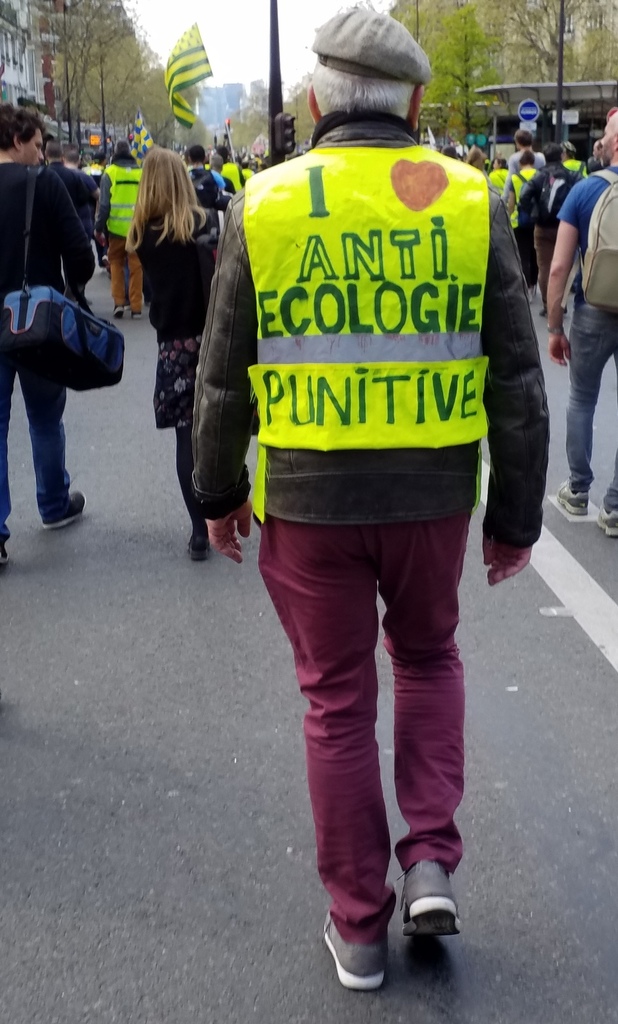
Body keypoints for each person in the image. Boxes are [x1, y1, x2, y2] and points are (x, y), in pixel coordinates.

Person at [192, 6, 548, 991]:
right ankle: (429, 855)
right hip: (433, 492)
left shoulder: (263, 204)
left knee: (336, 701)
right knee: (430, 656)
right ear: (419, 101)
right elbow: (517, 380)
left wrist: (218, 489)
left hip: (308, 500)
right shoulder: (471, 202)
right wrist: (514, 514)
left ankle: (357, 925)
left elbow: (223, 377)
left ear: (313, 100)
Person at [0, 104, 94, 568]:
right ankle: (53, 504)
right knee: (44, 418)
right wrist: (70, 288)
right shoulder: (44, 183)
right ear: (16, 140)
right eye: (37, 145)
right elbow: (81, 257)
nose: (41, 154)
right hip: (36, 320)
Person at [127, 148, 215, 561]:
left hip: (174, 347)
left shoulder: (143, 235)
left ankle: (198, 531)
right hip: (212, 339)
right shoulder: (203, 223)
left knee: (186, 438)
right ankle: (229, 510)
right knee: (222, 430)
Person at [547, 110, 618, 536]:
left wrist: (555, 327)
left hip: (592, 309)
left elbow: (558, 268)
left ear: (611, 144)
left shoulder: (585, 191)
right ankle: (616, 508)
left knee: (581, 399)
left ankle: (577, 490)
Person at [518, 142, 581, 317]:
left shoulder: (539, 176)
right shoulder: (571, 175)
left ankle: (548, 305)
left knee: (545, 268)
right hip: (566, 226)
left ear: (544, 158)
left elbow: (524, 195)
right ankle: (562, 304)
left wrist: (533, 213)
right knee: (564, 266)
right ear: (562, 155)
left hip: (543, 227)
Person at [95, 139, 143, 319]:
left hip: (115, 229)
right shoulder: (141, 172)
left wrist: (99, 227)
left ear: (114, 152)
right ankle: (136, 306)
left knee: (115, 264)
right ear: (130, 152)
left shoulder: (110, 173)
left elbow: (104, 205)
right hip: (137, 229)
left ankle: (119, 303)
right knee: (136, 266)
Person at [507, 148, 538, 297]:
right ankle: (534, 283)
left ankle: (526, 286)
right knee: (535, 253)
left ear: (521, 163)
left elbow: (511, 203)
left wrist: (509, 215)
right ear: (533, 162)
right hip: (537, 220)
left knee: (523, 255)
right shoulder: (540, 175)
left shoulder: (515, 178)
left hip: (520, 221)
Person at [62, 143, 99, 243]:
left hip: (63, 223)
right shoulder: (85, 177)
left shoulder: (57, 176)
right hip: (83, 222)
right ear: (78, 161)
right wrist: (96, 215)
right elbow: (98, 195)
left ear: (63, 160)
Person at [502, 128, 545, 201]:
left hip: (521, 198)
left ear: (518, 143)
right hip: (538, 199)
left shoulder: (514, 158)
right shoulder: (541, 157)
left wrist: (504, 198)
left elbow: (510, 180)